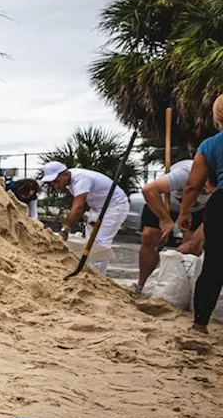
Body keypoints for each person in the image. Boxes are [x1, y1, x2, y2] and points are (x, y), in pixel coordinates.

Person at [178, 95, 223, 333]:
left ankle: (200, 324)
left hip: (221, 204)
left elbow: (193, 185)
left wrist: (184, 211)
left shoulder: (210, 145)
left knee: (214, 265)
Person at [40, 160, 130, 274]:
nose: (55, 185)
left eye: (57, 181)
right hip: (97, 207)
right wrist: (82, 216)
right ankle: (89, 273)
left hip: (114, 206)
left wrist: (65, 230)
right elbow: (82, 205)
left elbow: (78, 206)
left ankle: (98, 278)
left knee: (100, 244)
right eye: (52, 183)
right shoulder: (70, 181)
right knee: (89, 244)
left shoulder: (81, 179)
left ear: (66, 174)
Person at [135, 159, 210, 293]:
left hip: (197, 209)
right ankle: (141, 285)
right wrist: (165, 219)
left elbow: (214, 217)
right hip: (162, 203)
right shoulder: (185, 173)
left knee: (193, 249)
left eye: (211, 188)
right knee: (149, 237)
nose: (207, 190)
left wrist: (193, 242)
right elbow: (149, 191)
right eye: (204, 186)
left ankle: (189, 292)